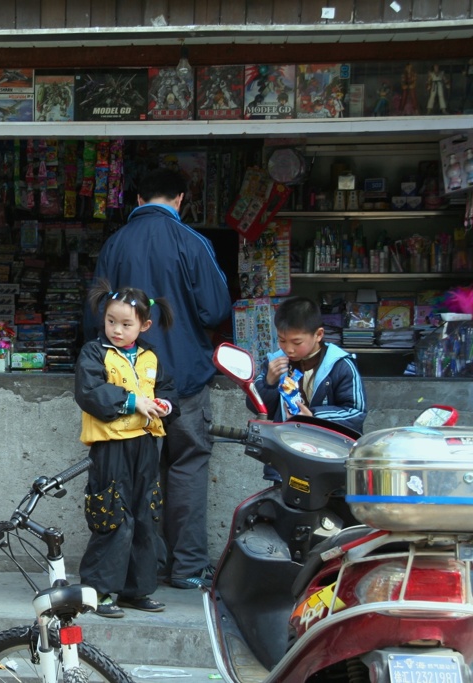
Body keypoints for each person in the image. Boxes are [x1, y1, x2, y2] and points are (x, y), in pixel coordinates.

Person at [87, 167, 232, 591]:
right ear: (181, 199)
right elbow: (216, 309)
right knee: (186, 467)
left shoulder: (114, 245)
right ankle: (187, 568)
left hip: (127, 387)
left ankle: (139, 572)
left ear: (137, 199)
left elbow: (95, 314)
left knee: (130, 478)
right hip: (183, 382)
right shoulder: (192, 242)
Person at [76, 282, 179, 618]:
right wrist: (134, 401)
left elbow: (167, 391)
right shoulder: (94, 352)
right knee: (112, 514)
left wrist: (164, 404)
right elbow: (89, 391)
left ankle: (137, 589)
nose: (117, 330)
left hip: (146, 445)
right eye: (111, 321)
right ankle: (101, 591)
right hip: (110, 448)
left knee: (145, 515)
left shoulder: (150, 356)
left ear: (144, 326)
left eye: (126, 324)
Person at [251, 297, 367, 481]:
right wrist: (268, 382)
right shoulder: (274, 362)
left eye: (296, 343)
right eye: (282, 340)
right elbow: (256, 406)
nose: (288, 349)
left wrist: (314, 417)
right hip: (286, 458)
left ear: (318, 335)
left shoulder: (341, 365)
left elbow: (356, 412)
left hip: (331, 458)